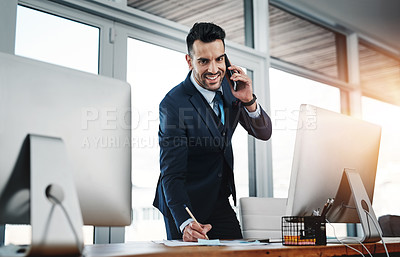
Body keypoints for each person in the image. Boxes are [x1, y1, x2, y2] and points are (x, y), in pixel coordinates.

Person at [153, 22, 272, 242]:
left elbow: (263, 132)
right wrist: (185, 222)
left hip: (218, 197)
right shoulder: (173, 105)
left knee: (239, 252)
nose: (213, 69)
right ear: (190, 62)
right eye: (204, 61)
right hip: (184, 203)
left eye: (219, 59)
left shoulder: (230, 86)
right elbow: (172, 173)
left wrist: (249, 101)